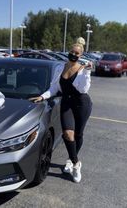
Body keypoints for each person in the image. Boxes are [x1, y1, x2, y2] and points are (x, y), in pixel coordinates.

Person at [29, 38, 93, 183]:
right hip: (67, 103)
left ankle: (71, 159)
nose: (73, 54)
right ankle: (76, 163)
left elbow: (83, 89)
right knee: (67, 134)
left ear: (80, 55)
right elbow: (54, 88)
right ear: (68, 52)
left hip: (82, 103)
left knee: (78, 134)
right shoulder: (60, 67)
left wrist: (87, 73)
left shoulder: (83, 69)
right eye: (72, 51)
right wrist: (42, 96)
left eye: (77, 53)